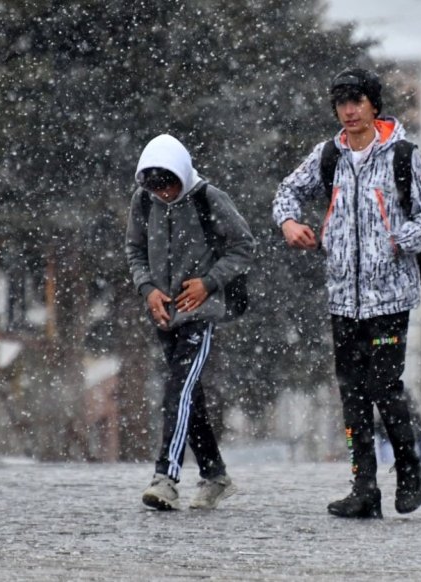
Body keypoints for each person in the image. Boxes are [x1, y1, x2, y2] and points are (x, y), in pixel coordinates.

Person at [272, 68, 421, 518]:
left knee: (384, 388)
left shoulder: (403, 156)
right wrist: (290, 223)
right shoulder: (328, 155)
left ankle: (409, 470)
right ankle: (363, 487)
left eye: (357, 101)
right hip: (342, 300)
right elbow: (287, 191)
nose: (349, 111)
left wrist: (393, 241)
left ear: (374, 105)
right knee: (351, 395)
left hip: (390, 300)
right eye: (341, 102)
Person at [125, 134, 254, 511]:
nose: (163, 193)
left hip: (200, 314)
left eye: (168, 184)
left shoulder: (208, 198)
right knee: (189, 399)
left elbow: (243, 245)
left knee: (177, 392)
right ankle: (215, 475)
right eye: (155, 186)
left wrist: (209, 283)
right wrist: (147, 288)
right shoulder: (143, 201)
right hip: (164, 314)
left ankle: (166, 476)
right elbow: (134, 248)